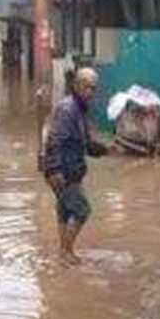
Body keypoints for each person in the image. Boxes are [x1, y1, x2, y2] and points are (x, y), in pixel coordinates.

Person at [42, 67, 111, 265]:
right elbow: (54, 140)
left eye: (93, 88)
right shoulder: (68, 109)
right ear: (76, 85)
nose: (90, 92)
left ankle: (63, 253)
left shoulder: (79, 109)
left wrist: (106, 149)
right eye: (86, 86)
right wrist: (54, 170)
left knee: (65, 211)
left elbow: (86, 144)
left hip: (69, 170)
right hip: (63, 171)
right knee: (82, 210)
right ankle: (66, 252)